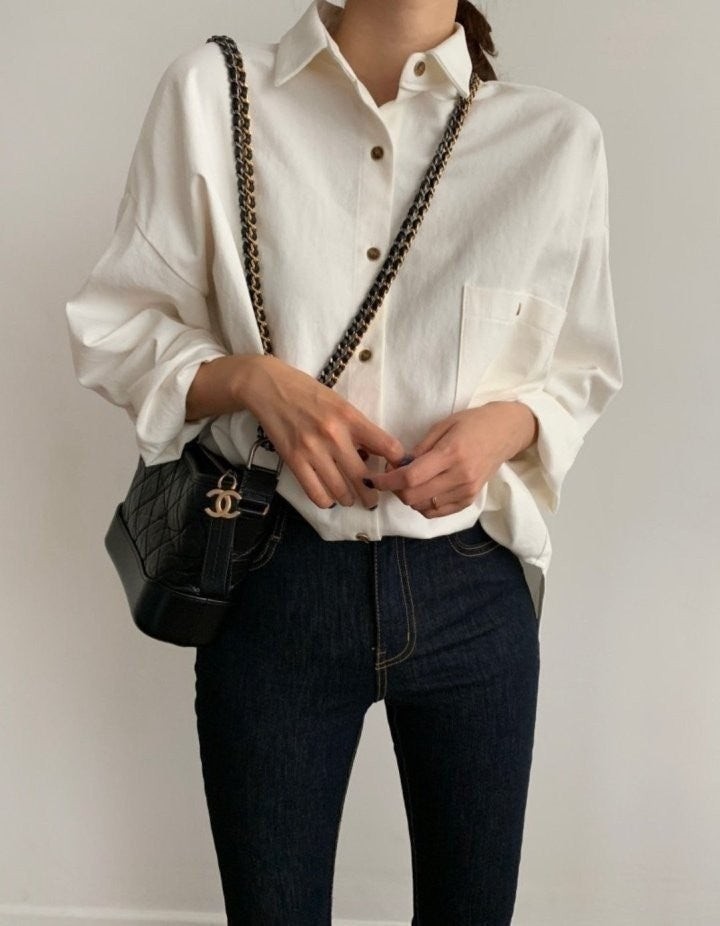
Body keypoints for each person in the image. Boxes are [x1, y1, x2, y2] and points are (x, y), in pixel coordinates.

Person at [64, 0, 623, 922]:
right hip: (274, 577)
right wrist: (253, 381)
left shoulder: (555, 141)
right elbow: (116, 326)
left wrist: (506, 427)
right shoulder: (216, 94)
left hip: (472, 589)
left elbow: (580, 370)